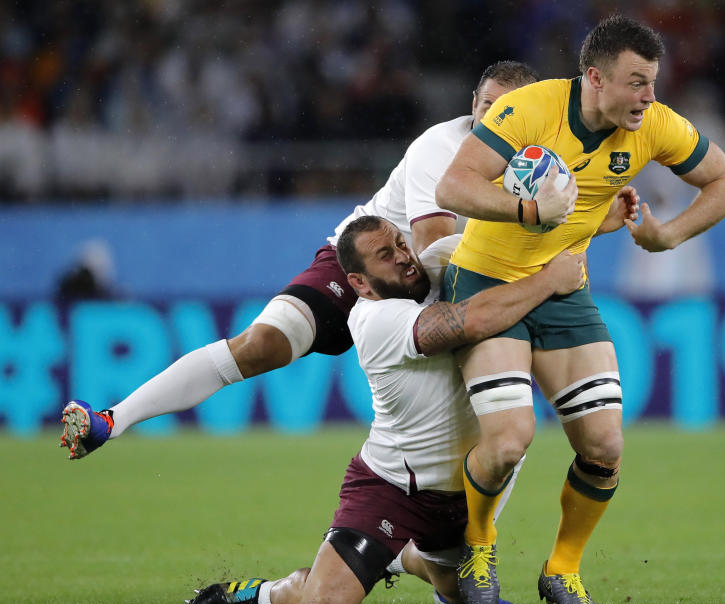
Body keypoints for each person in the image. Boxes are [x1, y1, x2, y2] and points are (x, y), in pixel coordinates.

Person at [58, 60, 539, 460]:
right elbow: (436, 251)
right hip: (368, 266)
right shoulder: (444, 147)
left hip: (435, 292)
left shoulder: (544, 167)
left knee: (484, 435)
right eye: (485, 106)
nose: (491, 119)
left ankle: (437, 549)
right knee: (262, 343)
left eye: (507, 110)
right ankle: (112, 420)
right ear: (472, 106)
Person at [434, 15, 725, 604]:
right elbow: (453, 188)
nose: (648, 96)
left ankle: (562, 570)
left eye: (652, 82)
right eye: (636, 82)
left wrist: (667, 236)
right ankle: (477, 541)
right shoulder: (529, 109)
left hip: (564, 290)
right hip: (488, 282)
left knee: (604, 443)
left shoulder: (653, 124)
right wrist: (527, 211)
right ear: (595, 78)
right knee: (507, 443)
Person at [186, 217, 587, 604]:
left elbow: (510, 239)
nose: (402, 256)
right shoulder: (374, 319)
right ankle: (264, 593)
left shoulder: (440, 262)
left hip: (466, 489)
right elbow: (472, 321)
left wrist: (604, 220)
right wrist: (550, 280)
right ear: (359, 282)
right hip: (393, 487)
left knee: (458, 595)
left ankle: (396, 555)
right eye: (385, 254)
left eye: (399, 242)